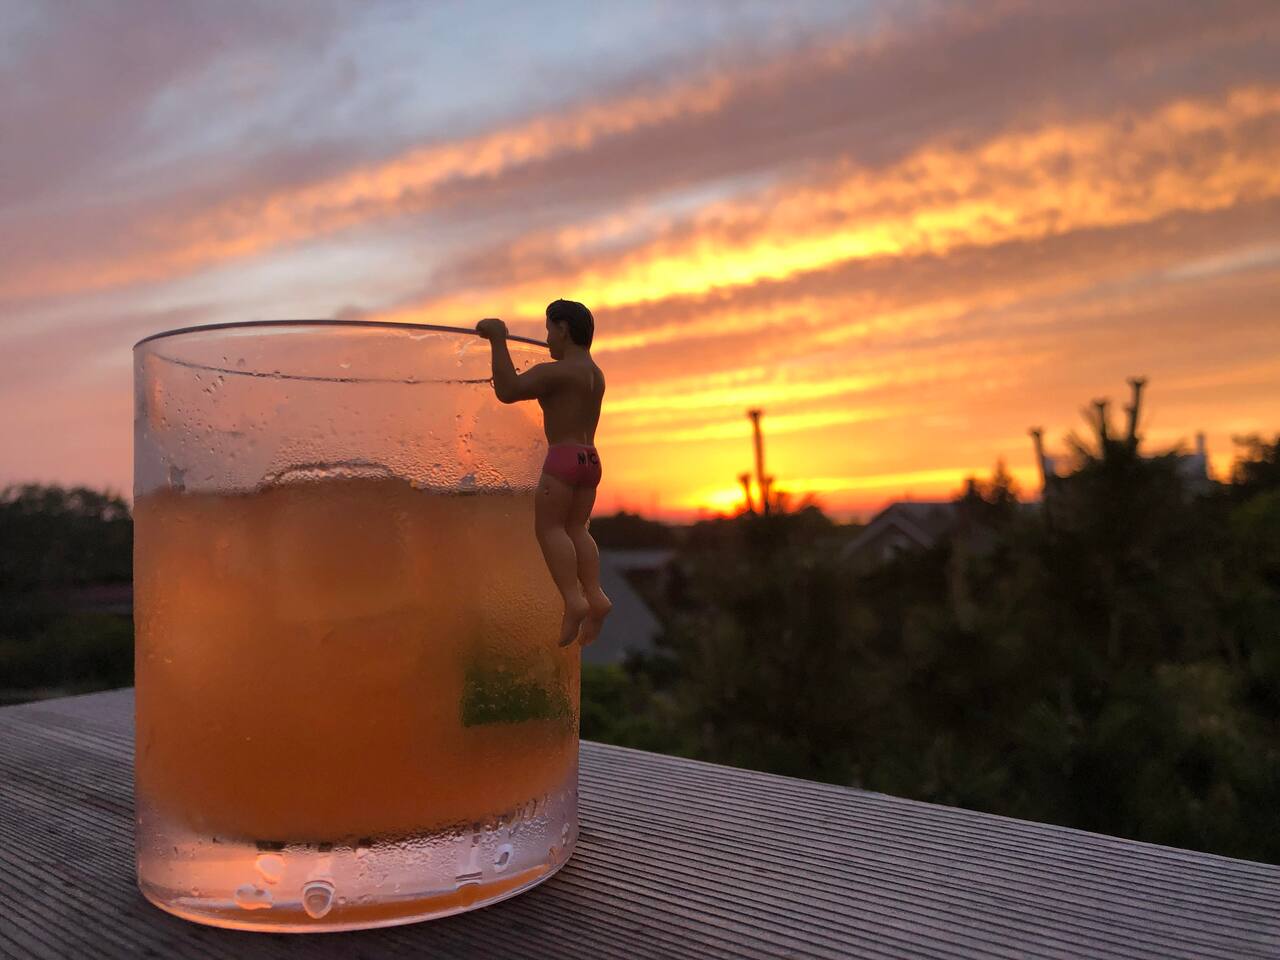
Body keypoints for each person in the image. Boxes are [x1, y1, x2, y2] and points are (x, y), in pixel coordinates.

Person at [476, 300, 612, 647]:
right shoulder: (595, 375)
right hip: (590, 460)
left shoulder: (556, 373)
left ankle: (573, 600)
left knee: (550, 529)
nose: (548, 338)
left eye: (549, 330)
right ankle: (595, 595)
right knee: (576, 528)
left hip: (563, 460)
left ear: (563, 329)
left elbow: (508, 390)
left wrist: (498, 339)